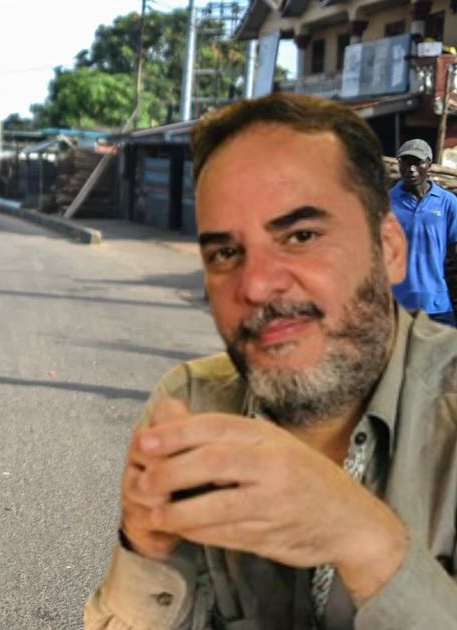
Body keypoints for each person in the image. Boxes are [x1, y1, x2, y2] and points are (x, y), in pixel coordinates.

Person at [85, 93, 457, 628]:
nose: (256, 285)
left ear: (388, 248)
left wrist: (367, 543)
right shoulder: (191, 406)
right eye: (225, 253)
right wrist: (145, 551)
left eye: (302, 235)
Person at [389, 138, 457, 326]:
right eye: (405, 162)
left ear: (429, 164)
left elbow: (454, 250)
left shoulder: (447, 203)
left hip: (437, 305)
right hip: (398, 307)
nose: (411, 169)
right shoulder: (385, 203)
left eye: (417, 162)